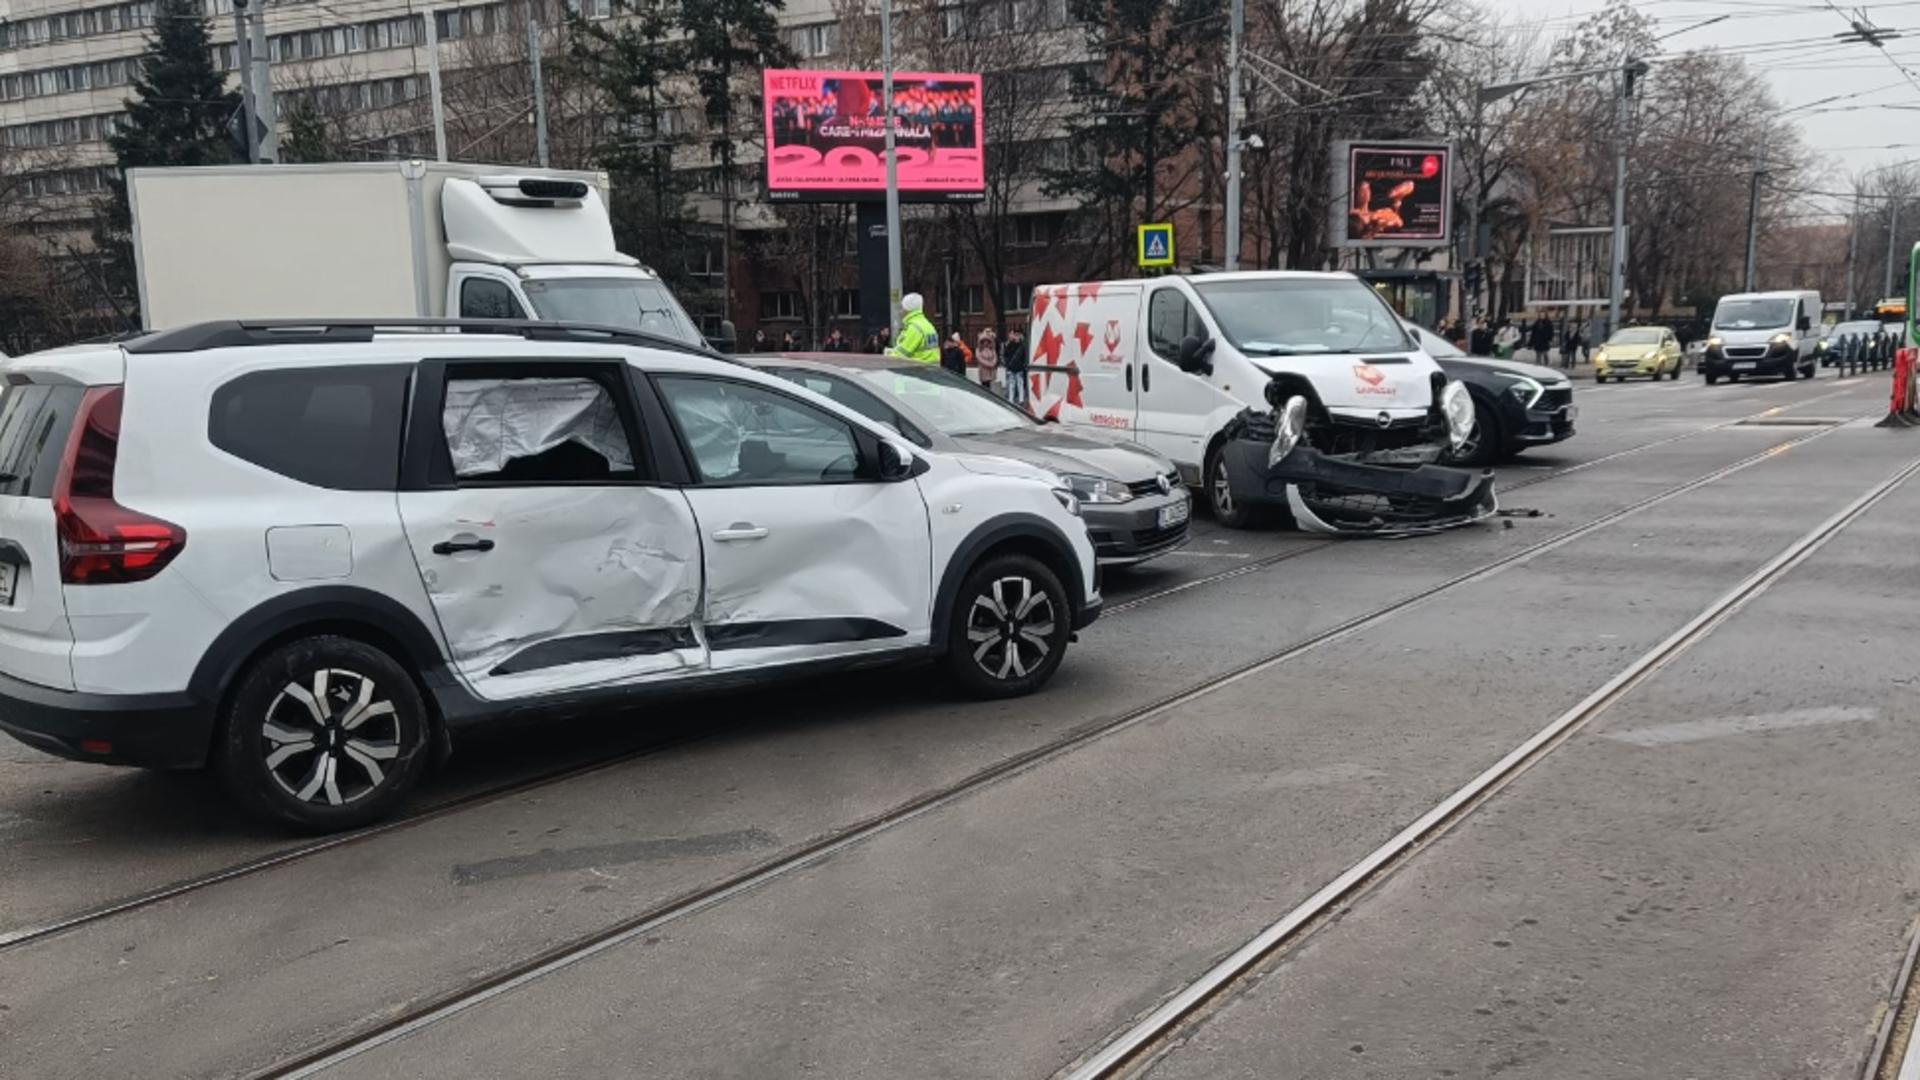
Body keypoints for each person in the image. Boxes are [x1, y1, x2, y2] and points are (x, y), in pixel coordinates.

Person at [883, 294, 939, 364]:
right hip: (933, 370)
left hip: (918, 370)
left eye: (902, 308)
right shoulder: (926, 324)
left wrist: (885, 354)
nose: (900, 311)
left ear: (907, 309)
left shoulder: (914, 328)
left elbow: (900, 355)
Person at [1002, 326, 1030, 408]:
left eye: (1018, 335)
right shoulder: (1010, 344)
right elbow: (1005, 355)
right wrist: (1008, 364)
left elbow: (1025, 357)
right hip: (1012, 368)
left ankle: (1021, 400)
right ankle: (1011, 399)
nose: (1017, 337)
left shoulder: (1022, 345)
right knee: (1012, 384)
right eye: (1015, 335)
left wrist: (1022, 365)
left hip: (1019, 368)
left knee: (1020, 384)